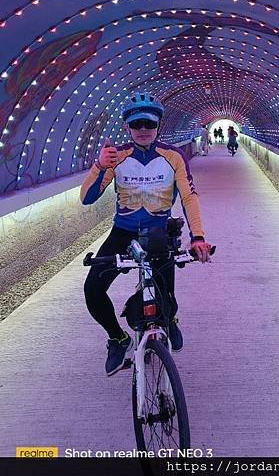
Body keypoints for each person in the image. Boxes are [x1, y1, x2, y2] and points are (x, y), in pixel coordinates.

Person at [80, 93, 212, 376]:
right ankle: (118, 338)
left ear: (158, 126)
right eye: (136, 124)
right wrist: (99, 166)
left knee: (166, 295)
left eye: (148, 125)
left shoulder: (173, 156)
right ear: (127, 127)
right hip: (123, 232)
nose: (143, 130)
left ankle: (170, 320)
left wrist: (197, 236)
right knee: (92, 289)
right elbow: (87, 198)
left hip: (159, 233)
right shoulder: (116, 157)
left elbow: (189, 197)